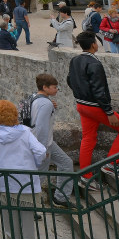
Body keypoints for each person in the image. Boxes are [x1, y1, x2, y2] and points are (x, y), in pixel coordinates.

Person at [67, 32, 119, 187]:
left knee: (88, 138)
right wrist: (109, 112)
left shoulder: (75, 60)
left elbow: (69, 80)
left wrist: (80, 92)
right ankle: (111, 163)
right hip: (95, 106)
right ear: (93, 45)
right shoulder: (94, 63)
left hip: (81, 104)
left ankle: (86, 177)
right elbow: (99, 90)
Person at [0, 99, 47, 239]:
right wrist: (35, 164)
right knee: (26, 214)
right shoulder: (25, 132)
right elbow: (41, 151)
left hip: (3, 180)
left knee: (8, 213)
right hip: (24, 181)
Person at [30, 74, 74, 207]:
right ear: (45, 87)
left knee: (66, 163)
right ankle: (29, 206)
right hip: (43, 144)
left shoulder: (34, 98)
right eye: (54, 87)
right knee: (39, 177)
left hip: (41, 142)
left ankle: (60, 197)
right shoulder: (46, 104)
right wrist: (43, 150)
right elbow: (41, 127)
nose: (57, 90)